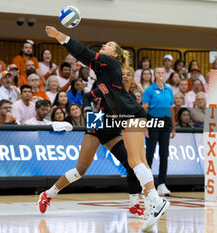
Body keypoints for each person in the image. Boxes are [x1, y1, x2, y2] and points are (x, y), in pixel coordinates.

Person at [41, 26, 170, 231]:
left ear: (115, 54)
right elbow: (84, 66)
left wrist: (60, 36)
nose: (103, 45)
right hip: (106, 121)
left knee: (135, 161)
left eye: (108, 45)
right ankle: (152, 203)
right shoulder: (101, 76)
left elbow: (83, 51)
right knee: (134, 161)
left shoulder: (110, 62)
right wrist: (88, 112)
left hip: (127, 116)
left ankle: (152, 201)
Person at [39, 68, 146, 219]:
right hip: (97, 128)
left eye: (129, 75)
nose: (125, 77)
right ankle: (48, 194)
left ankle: (134, 205)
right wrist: (89, 111)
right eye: (122, 74)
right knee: (80, 170)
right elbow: (87, 97)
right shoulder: (108, 88)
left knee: (131, 165)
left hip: (113, 133)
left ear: (132, 79)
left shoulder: (131, 99)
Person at [142, 66, 176, 196]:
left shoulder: (169, 90)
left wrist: (173, 127)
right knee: (149, 154)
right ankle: (146, 184)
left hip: (166, 123)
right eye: (158, 73)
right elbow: (144, 109)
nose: (161, 74)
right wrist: (144, 127)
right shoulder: (149, 90)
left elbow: (171, 109)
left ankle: (162, 184)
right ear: (154, 75)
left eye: (162, 72)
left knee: (164, 154)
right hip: (152, 122)